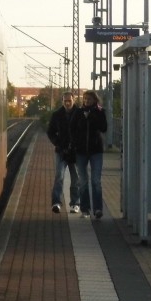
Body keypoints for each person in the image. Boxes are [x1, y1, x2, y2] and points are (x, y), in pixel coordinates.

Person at [69, 89, 107, 219]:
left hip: (96, 151)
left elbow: (104, 128)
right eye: (84, 99)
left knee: (96, 181)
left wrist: (91, 117)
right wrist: (74, 144)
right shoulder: (78, 112)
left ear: (94, 100)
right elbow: (72, 129)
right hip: (81, 152)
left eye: (89, 99)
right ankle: (85, 209)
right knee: (83, 181)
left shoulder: (100, 111)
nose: (86, 101)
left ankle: (98, 209)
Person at [46, 91, 80, 214]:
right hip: (61, 151)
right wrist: (58, 143)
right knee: (59, 176)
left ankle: (75, 203)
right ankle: (56, 202)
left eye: (69, 100)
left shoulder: (79, 114)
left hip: (75, 152)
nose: (67, 103)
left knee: (75, 178)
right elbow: (50, 132)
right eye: (65, 100)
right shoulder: (57, 115)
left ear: (73, 100)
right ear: (62, 101)